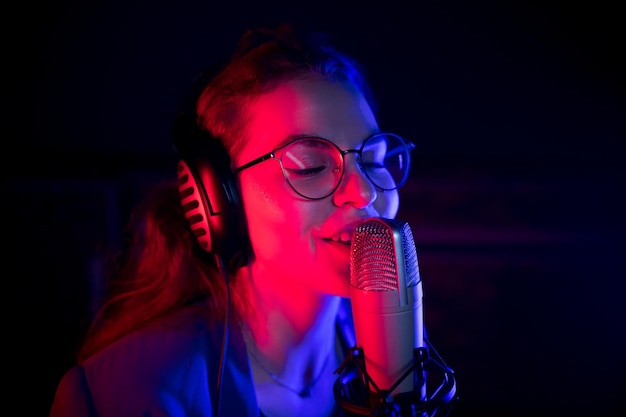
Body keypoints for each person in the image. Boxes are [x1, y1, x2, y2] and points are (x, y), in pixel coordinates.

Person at [49, 23, 417, 417]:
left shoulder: (403, 354)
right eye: (310, 166)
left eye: (373, 160)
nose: (364, 192)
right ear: (218, 199)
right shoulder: (118, 394)